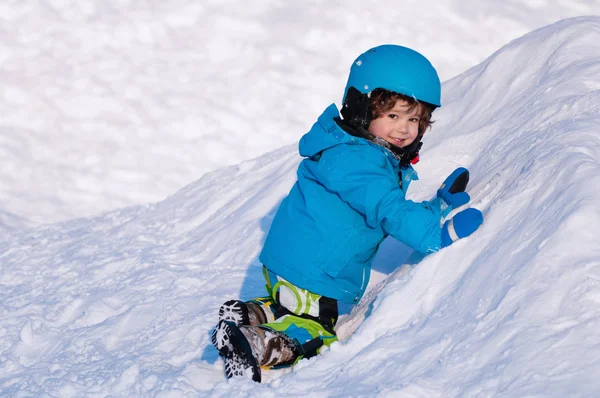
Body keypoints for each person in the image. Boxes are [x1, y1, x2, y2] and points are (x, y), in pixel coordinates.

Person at [211, 44, 484, 382]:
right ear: (362, 110)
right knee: (318, 331)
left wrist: (437, 206)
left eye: (414, 119)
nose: (404, 129)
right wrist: (434, 236)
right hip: (318, 279)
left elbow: (387, 205)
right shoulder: (361, 163)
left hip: (289, 267)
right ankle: (254, 343)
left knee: (293, 303)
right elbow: (389, 209)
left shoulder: (352, 152)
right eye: (393, 116)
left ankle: (255, 311)